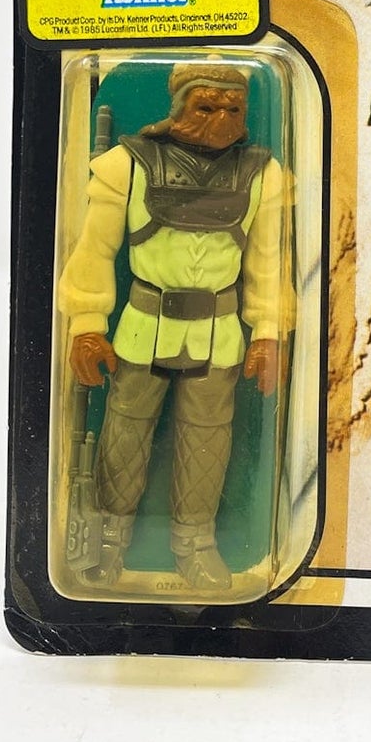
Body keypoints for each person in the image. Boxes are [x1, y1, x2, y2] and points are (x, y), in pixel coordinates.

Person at [58, 62, 285, 588]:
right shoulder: (126, 164)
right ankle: (108, 540)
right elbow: (93, 249)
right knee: (124, 432)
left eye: (233, 109)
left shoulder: (262, 173)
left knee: (208, 440)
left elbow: (269, 264)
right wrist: (87, 324)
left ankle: (195, 546)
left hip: (219, 333)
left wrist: (269, 331)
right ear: (179, 107)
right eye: (205, 107)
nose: (220, 120)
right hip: (144, 326)